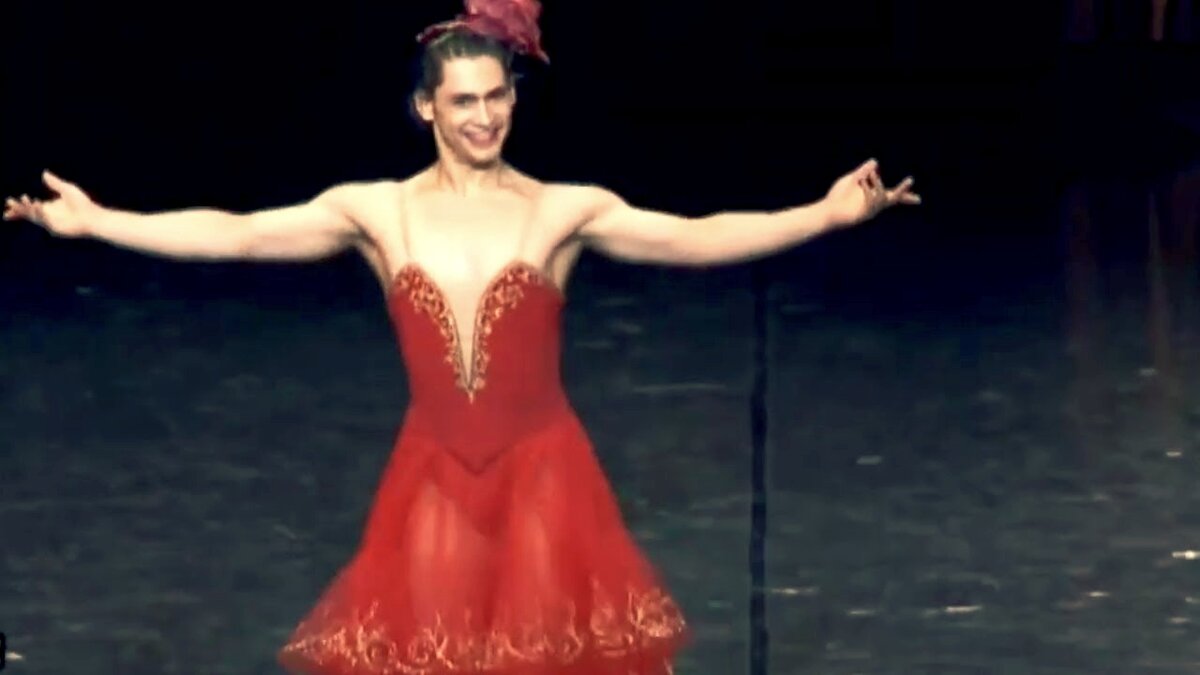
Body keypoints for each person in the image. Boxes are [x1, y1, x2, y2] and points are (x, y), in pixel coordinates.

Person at [3, 0, 920, 672]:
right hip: (435, 480)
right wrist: (99, 222)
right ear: (426, 109)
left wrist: (826, 214)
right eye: (464, 100)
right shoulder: (379, 213)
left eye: (497, 95)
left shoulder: (559, 210)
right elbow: (237, 232)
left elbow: (696, 236)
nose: (485, 116)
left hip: (547, 482)